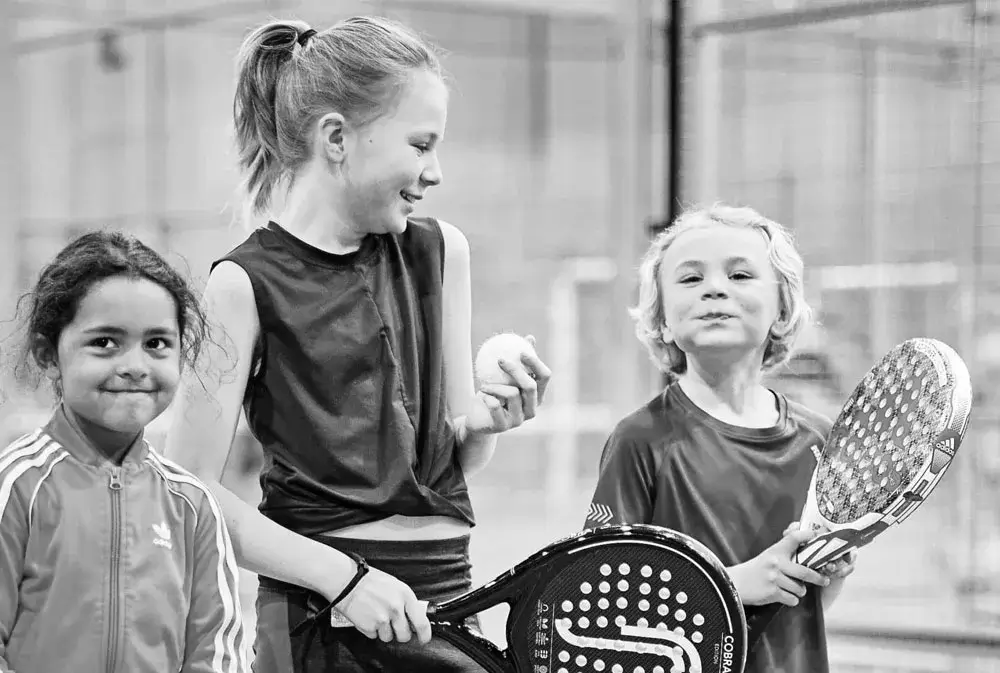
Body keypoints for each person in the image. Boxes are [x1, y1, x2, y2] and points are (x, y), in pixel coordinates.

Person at [164, 15, 551, 673]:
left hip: (446, 595)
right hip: (322, 614)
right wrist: (344, 577)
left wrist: (490, 419)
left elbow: (456, 458)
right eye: (421, 144)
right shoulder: (242, 282)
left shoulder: (441, 251)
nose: (435, 171)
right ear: (338, 138)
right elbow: (186, 490)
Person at [583, 204, 857, 673]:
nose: (714, 288)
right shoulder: (641, 438)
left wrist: (828, 570)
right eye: (690, 279)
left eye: (740, 275)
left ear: (781, 310)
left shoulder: (820, 440)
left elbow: (802, 607)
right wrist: (730, 584)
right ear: (664, 320)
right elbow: (602, 601)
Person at [0, 231, 247, 673]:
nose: (134, 367)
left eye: (156, 344)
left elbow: (216, 653)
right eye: (105, 343)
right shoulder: (16, 487)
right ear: (48, 354)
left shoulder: (193, 506)